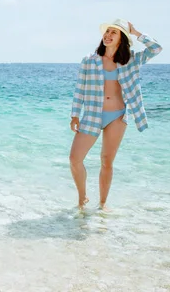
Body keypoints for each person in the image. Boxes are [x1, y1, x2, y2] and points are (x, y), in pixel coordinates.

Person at [69, 19, 162, 211]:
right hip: (92, 115)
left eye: (114, 32)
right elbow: (80, 89)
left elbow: (156, 48)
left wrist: (137, 33)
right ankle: (82, 198)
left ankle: (102, 204)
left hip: (117, 117)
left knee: (107, 162)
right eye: (107, 31)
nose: (108, 35)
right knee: (75, 159)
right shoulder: (89, 60)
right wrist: (75, 115)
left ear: (122, 39)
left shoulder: (131, 60)